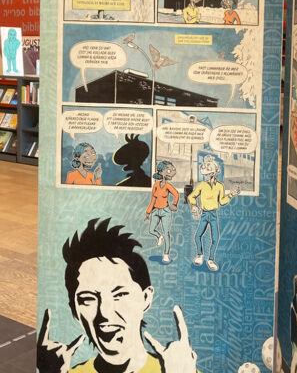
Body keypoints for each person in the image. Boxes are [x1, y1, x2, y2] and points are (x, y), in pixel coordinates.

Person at [36, 218, 197, 373]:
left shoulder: (181, 369)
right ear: (75, 311)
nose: (105, 313)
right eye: (88, 299)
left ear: (146, 299)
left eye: (119, 294)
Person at [187, 155, 236, 272]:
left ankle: (211, 259)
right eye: (206, 168)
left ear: (216, 171)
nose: (209, 172)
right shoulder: (202, 185)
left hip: (213, 214)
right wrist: (194, 206)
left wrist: (231, 194)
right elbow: (191, 196)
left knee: (215, 238)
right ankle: (200, 255)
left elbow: (222, 201)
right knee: (198, 235)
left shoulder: (220, 186)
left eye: (211, 169)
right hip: (204, 214)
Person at [146, 161, 180, 264]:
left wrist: (174, 204)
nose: (169, 172)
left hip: (166, 211)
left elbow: (176, 195)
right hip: (155, 210)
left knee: (166, 233)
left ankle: (166, 255)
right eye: (167, 170)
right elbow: (153, 199)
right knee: (151, 230)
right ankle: (159, 236)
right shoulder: (156, 185)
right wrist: (148, 212)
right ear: (161, 172)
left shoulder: (168, 186)